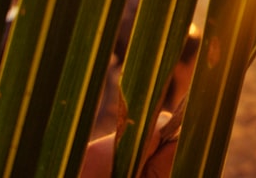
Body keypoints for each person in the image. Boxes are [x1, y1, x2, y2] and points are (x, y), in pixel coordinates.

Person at [80, 24, 201, 177]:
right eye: (196, 63)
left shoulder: (168, 114)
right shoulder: (149, 115)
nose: (199, 73)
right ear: (179, 65)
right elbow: (94, 157)